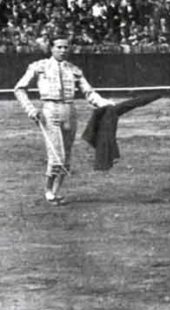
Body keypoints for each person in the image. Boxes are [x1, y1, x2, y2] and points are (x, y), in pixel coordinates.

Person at [14, 35, 115, 205]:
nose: (63, 50)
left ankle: (55, 192)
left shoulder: (74, 69)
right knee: (57, 155)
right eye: (59, 47)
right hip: (49, 110)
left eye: (66, 47)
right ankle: (47, 191)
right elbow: (19, 89)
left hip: (70, 111)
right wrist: (30, 109)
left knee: (66, 155)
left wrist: (104, 103)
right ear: (51, 48)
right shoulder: (39, 67)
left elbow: (89, 93)